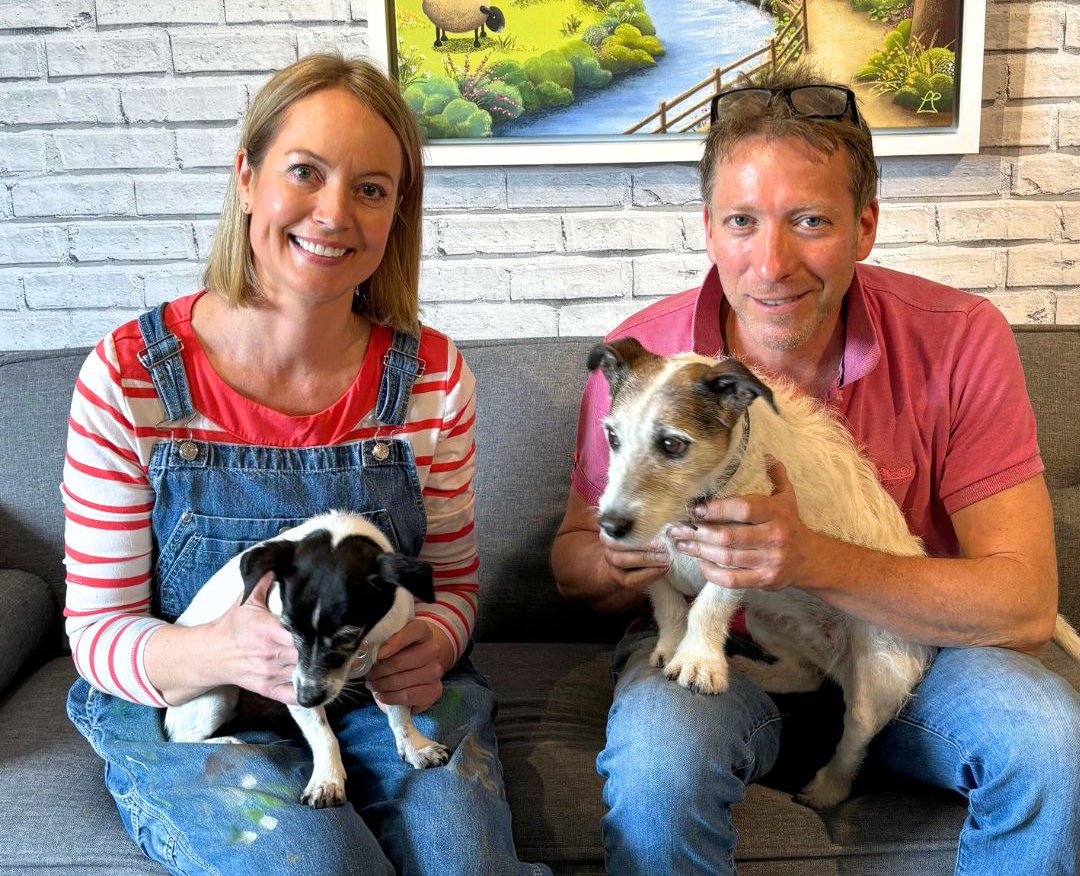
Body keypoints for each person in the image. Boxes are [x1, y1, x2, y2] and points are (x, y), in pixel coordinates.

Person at [551, 65, 1080, 875]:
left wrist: (808, 559)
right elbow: (575, 561)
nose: (772, 263)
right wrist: (621, 556)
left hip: (916, 647)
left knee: (1052, 745)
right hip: (716, 652)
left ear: (865, 226)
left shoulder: (962, 338)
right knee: (659, 768)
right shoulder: (640, 366)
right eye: (741, 221)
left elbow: (1023, 606)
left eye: (809, 221)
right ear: (706, 227)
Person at [64, 53, 550, 876]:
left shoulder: (432, 378)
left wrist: (427, 644)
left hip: (376, 697)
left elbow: (454, 587)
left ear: (398, 212)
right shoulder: (129, 378)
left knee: (463, 860)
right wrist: (220, 653)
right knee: (319, 864)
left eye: (370, 188)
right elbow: (96, 630)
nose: (333, 213)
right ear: (247, 177)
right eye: (305, 172)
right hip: (192, 699)